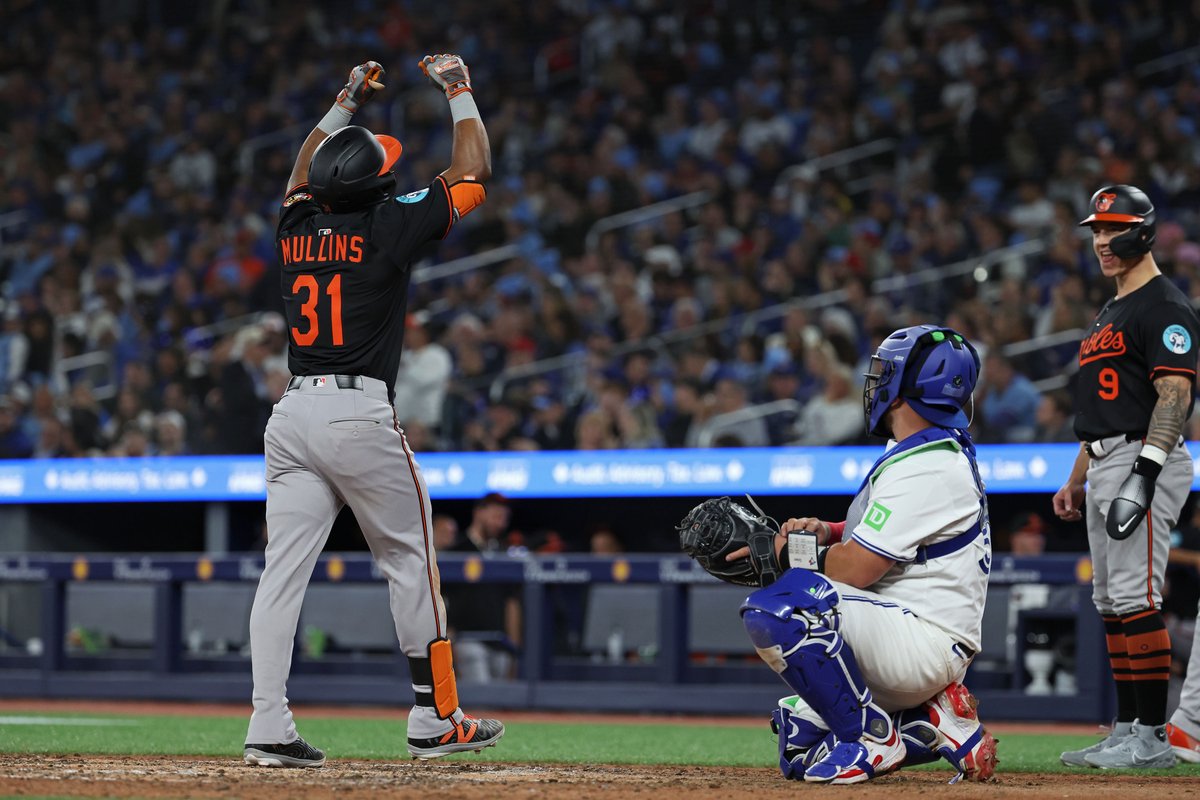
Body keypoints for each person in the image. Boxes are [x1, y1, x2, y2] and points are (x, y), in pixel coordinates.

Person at [243, 56, 503, 768]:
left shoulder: (295, 222)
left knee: (281, 574)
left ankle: (268, 724)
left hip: (291, 415)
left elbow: (301, 173)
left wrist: (343, 103)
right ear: (378, 184)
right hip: (358, 414)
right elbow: (475, 170)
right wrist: (458, 89)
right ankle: (435, 716)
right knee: (410, 560)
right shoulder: (390, 223)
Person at [731, 325, 996, 784]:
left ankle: (874, 737)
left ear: (906, 389)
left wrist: (783, 551)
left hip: (921, 637)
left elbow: (857, 569)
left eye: (884, 374)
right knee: (798, 748)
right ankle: (928, 722)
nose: (874, 385)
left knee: (784, 606)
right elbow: (895, 537)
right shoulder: (921, 451)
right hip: (904, 624)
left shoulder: (929, 463)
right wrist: (828, 531)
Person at [1053, 185, 1199, 769]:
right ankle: (1129, 728)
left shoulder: (1163, 304)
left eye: (1114, 229)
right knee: (1112, 601)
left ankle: (1152, 737)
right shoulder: (1113, 309)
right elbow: (1105, 409)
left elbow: (1175, 394)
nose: (1102, 241)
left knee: (1136, 597)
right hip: (1107, 456)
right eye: (1096, 230)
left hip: (1145, 457)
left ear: (1143, 230)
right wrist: (1076, 476)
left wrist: (1142, 475)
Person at [439, 492, 523, 682]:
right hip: (467, 640)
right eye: (496, 516)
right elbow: (441, 600)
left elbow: (512, 602)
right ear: (479, 513)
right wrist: (448, 645)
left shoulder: (503, 553)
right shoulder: (456, 550)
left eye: (504, 518)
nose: (500, 523)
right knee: (481, 703)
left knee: (502, 706)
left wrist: (514, 649)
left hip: (500, 644)